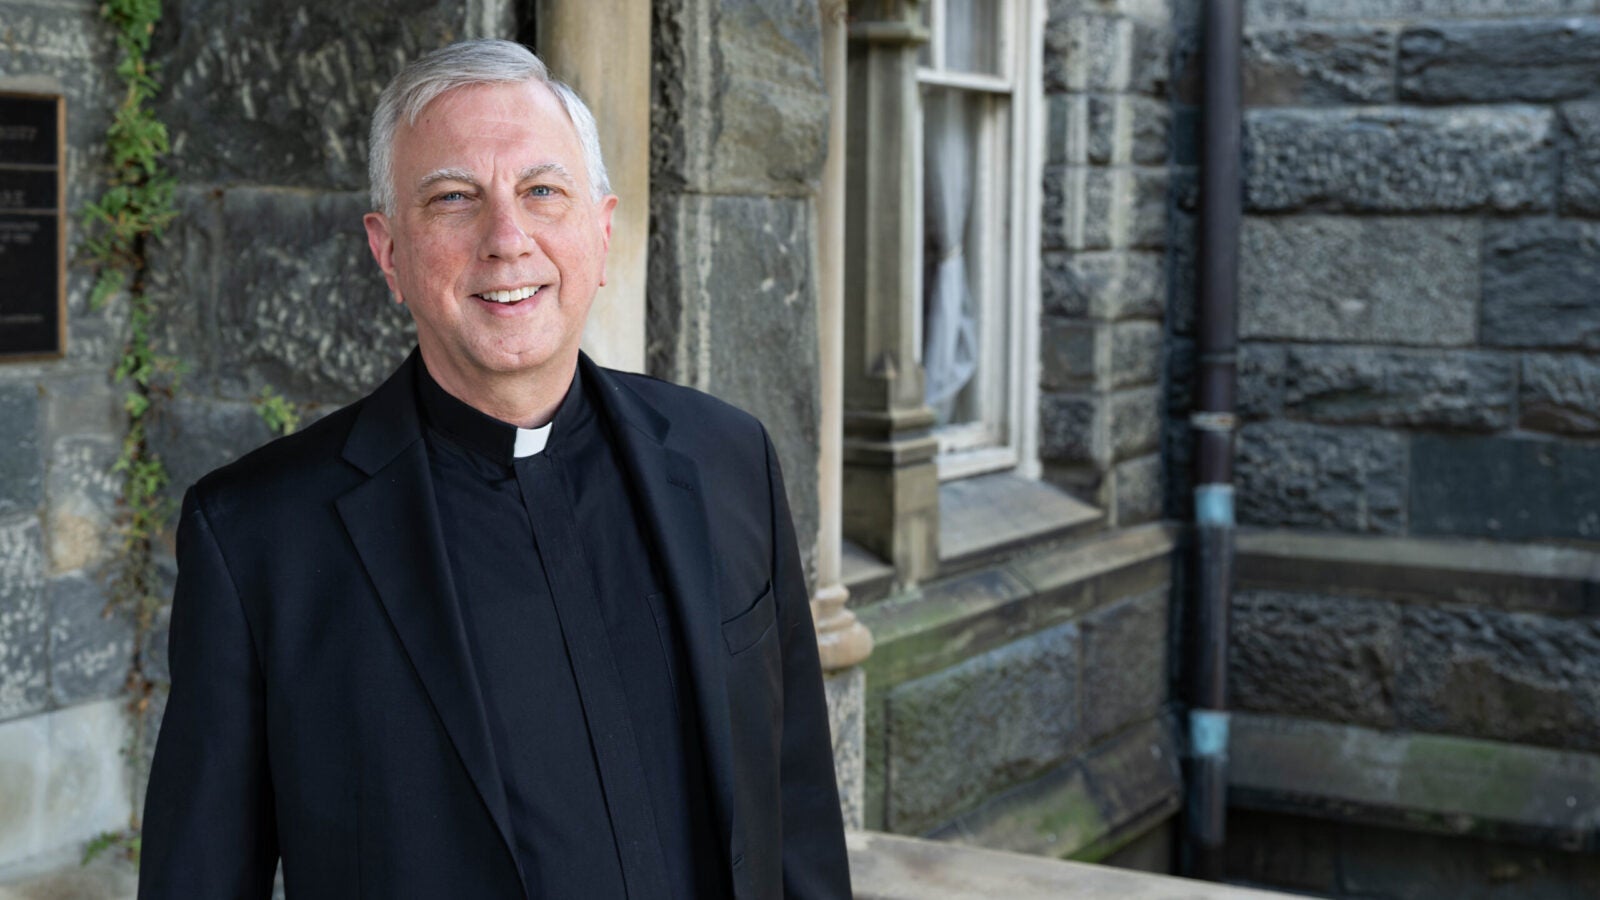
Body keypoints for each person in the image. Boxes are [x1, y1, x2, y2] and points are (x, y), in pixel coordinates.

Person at [138, 39, 851, 900]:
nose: (507, 240)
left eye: (542, 191)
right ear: (389, 252)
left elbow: (798, 808)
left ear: (602, 225)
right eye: (452, 199)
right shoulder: (258, 538)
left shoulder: (728, 457)